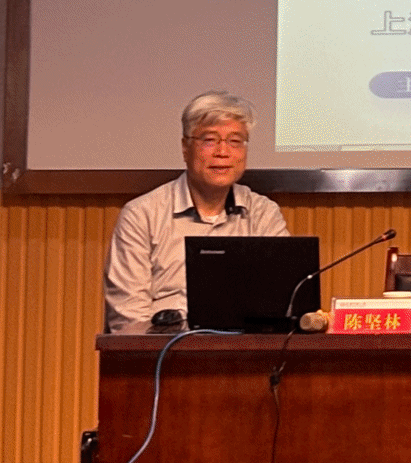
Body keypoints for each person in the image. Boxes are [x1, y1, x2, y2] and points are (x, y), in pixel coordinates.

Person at [103, 91, 289, 333]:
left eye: (235, 141)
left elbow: (284, 303)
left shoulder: (264, 214)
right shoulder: (141, 215)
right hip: (163, 349)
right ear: (185, 148)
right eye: (210, 140)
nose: (223, 152)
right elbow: (128, 319)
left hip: (246, 349)